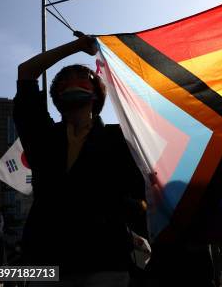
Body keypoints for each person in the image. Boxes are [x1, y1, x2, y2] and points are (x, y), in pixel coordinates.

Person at [14, 35, 146, 286]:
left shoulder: (120, 139)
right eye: (64, 81)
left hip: (105, 263)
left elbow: (142, 193)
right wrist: (76, 47)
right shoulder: (41, 137)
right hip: (46, 263)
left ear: (96, 94)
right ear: (56, 96)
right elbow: (26, 72)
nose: (72, 83)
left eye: (82, 79)